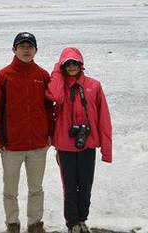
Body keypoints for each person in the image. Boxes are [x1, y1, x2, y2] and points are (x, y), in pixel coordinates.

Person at [0, 32, 53, 233]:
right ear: (14, 49)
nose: (26, 50)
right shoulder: (3, 76)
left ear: (36, 50)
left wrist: (50, 134)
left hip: (38, 144)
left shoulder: (43, 75)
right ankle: (12, 223)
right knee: (10, 189)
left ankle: (35, 223)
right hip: (11, 145)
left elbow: (49, 108)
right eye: (22, 46)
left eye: (30, 46)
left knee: (36, 188)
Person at [46, 47, 112, 233]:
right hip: (65, 145)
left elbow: (104, 118)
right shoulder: (59, 85)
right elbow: (54, 96)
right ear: (63, 66)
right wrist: (57, 71)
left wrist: (106, 150)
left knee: (85, 185)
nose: (71, 66)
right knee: (69, 187)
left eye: (75, 63)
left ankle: (82, 219)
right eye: (67, 64)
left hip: (88, 144)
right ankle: (72, 223)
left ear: (81, 64)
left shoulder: (94, 85)